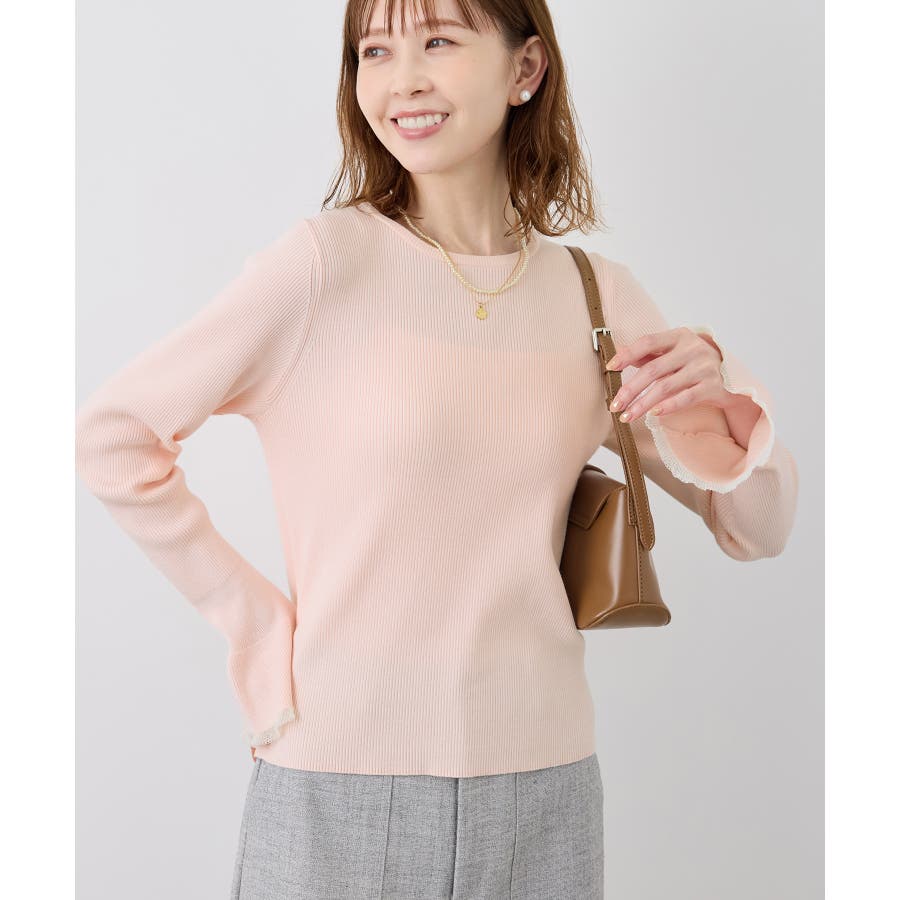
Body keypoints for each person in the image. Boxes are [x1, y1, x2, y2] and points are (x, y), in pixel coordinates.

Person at [74, 0, 800, 897]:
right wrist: (252, 621)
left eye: (439, 41)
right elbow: (116, 437)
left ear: (525, 69)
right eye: (374, 51)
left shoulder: (593, 296)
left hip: (545, 792)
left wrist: (721, 386)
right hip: (335, 783)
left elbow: (757, 527)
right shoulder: (323, 266)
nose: (402, 79)